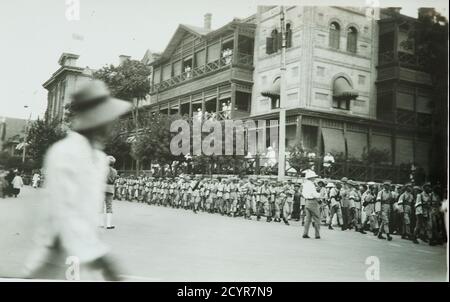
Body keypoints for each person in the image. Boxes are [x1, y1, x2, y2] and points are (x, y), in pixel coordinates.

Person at [25, 80, 131, 280]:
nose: (112, 123)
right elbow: (64, 216)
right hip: (58, 254)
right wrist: (104, 263)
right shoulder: (64, 153)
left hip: (87, 256)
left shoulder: (100, 158)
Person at [302, 170, 321, 239]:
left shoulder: (305, 184)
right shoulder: (312, 185)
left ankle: (305, 233)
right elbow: (314, 194)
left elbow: (304, 194)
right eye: (314, 177)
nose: (314, 178)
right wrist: (319, 194)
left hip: (307, 201)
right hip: (313, 201)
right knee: (317, 218)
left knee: (308, 219)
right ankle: (317, 234)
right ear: (311, 177)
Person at [104, 155, 118, 229]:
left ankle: (100, 223)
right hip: (110, 188)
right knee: (109, 206)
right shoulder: (115, 171)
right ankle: (108, 225)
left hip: (102, 187)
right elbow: (114, 180)